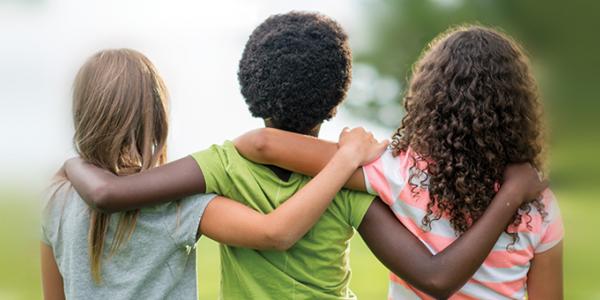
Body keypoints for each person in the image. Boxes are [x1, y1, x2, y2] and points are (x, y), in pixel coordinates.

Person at [63, 15, 548, 299]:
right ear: (337, 97)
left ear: (250, 87)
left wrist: (71, 165)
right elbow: (433, 276)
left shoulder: (224, 165)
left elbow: (111, 193)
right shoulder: (352, 177)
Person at [234, 25, 564, 299]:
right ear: (518, 112)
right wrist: (513, 194)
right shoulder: (540, 207)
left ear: (429, 101)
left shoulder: (399, 171)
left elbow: (263, 143)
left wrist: (351, 152)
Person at [40, 48, 389, 299]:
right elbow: (275, 233)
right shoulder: (177, 206)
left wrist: (72, 163)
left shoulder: (54, 201)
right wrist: (345, 159)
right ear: (157, 117)